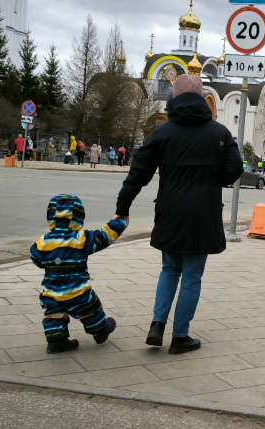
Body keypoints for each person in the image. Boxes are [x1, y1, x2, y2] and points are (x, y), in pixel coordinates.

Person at [115, 74, 243, 355]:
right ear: (202, 98)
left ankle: (157, 325)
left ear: (174, 98)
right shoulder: (219, 133)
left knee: (169, 269)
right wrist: (213, 180)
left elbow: (138, 174)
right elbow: (235, 168)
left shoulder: (162, 133)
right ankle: (180, 336)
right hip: (203, 212)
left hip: (170, 209)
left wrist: (122, 208)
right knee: (192, 275)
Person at [30, 194, 128, 354]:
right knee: (91, 308)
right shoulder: (81, 239)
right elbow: (104, 236)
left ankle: (56, 341)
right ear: (78, 217)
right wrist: (121, 222)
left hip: (53, 292)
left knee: (54, 314)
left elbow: (35, 257)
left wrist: (50, 261)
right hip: (78, 291)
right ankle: (100, 330)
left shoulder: (43, 241)